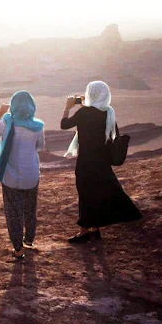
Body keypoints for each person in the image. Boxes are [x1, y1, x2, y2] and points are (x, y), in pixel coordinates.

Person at [61, 80, 142, 243]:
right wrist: (88, 104)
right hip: (102, 162)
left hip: (86, 162)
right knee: (98, 193)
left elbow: (65, 125)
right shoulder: (109, 112)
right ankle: (95, 229)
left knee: (85, 194)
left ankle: (84, 232)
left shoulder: (84, 113)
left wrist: (67, 108)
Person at [0, 91, 45, 260]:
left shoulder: (6, 122)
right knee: (30, 209)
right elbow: (40, 146)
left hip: (11, 176)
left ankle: (18, 249)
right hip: (31, 175)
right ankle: (29, 239)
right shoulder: (39, 125)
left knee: (13, 212)